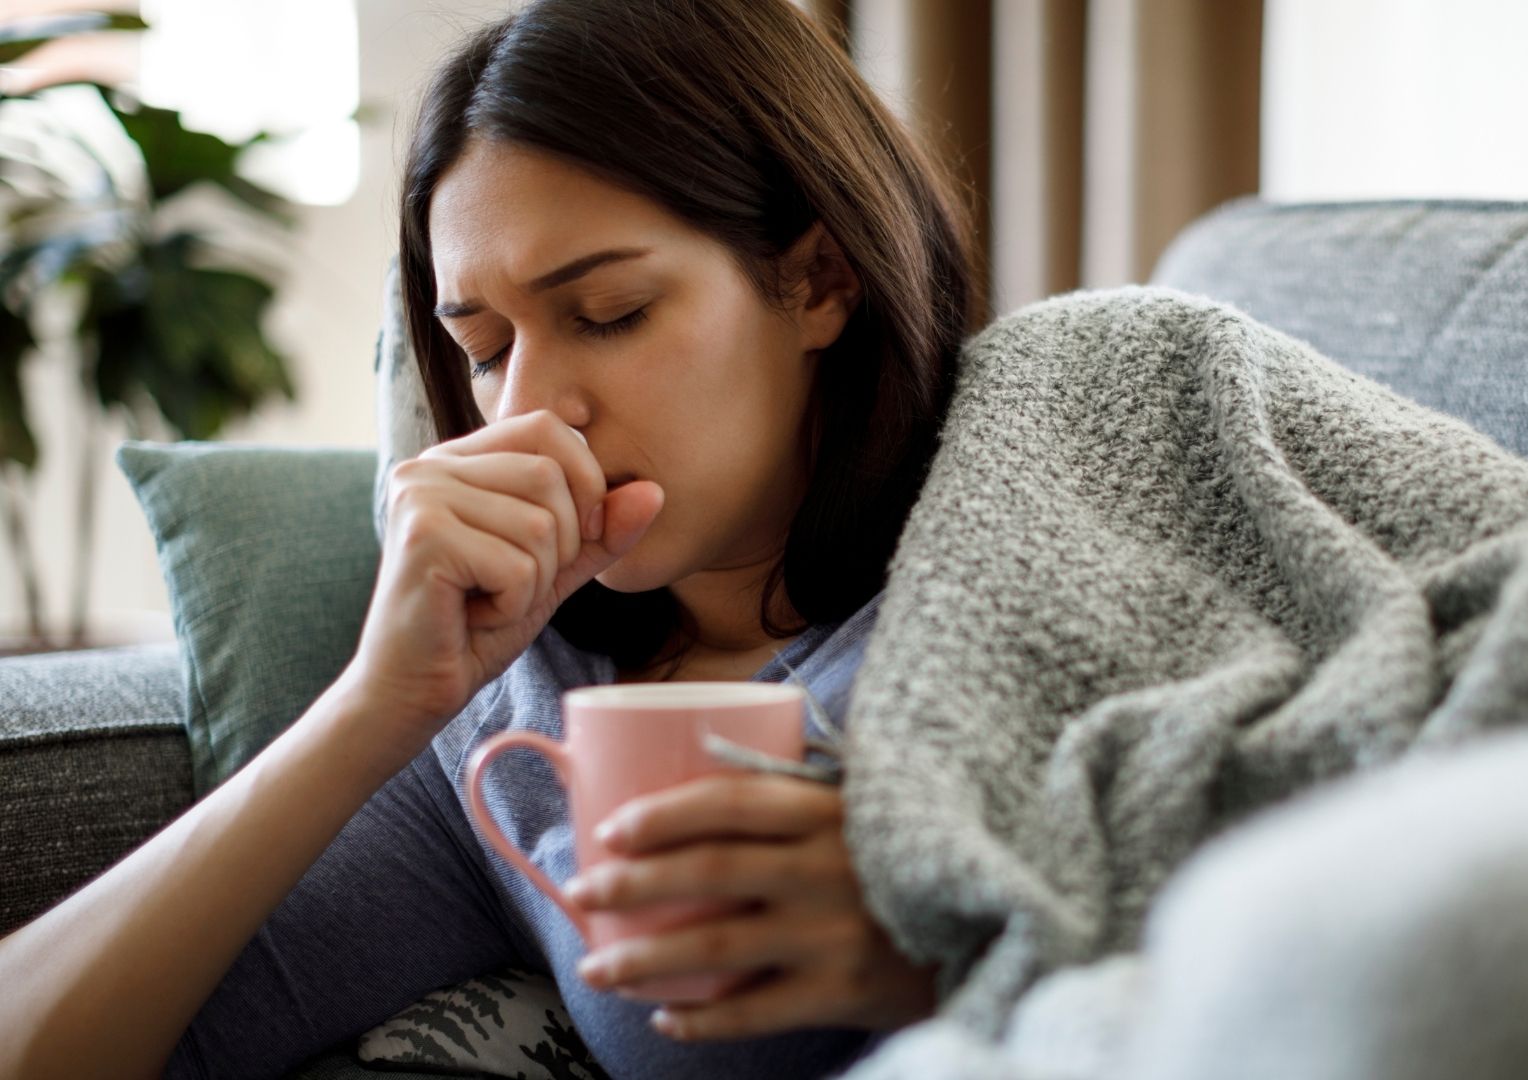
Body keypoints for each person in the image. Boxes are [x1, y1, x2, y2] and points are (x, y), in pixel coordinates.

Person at [0, 0, 976, 1076]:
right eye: (484, 346)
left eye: (607, 312)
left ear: (821, 279)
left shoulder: (1018, 576)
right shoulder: (513, 729)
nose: (530, 412)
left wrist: (942, 951)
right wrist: (376, 704)